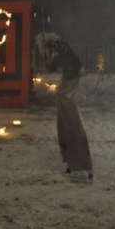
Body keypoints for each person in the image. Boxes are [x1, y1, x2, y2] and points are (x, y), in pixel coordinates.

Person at [46, 39, 93, 179]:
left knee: (73, 128)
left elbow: (70, 62)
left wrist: (54, 51)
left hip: (70, 86)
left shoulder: (62, 49)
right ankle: (71, 163)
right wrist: (51, 59)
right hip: (66, 86)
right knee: (65, 128)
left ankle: (81, 165)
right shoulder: (58, 54)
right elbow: (51, 68)